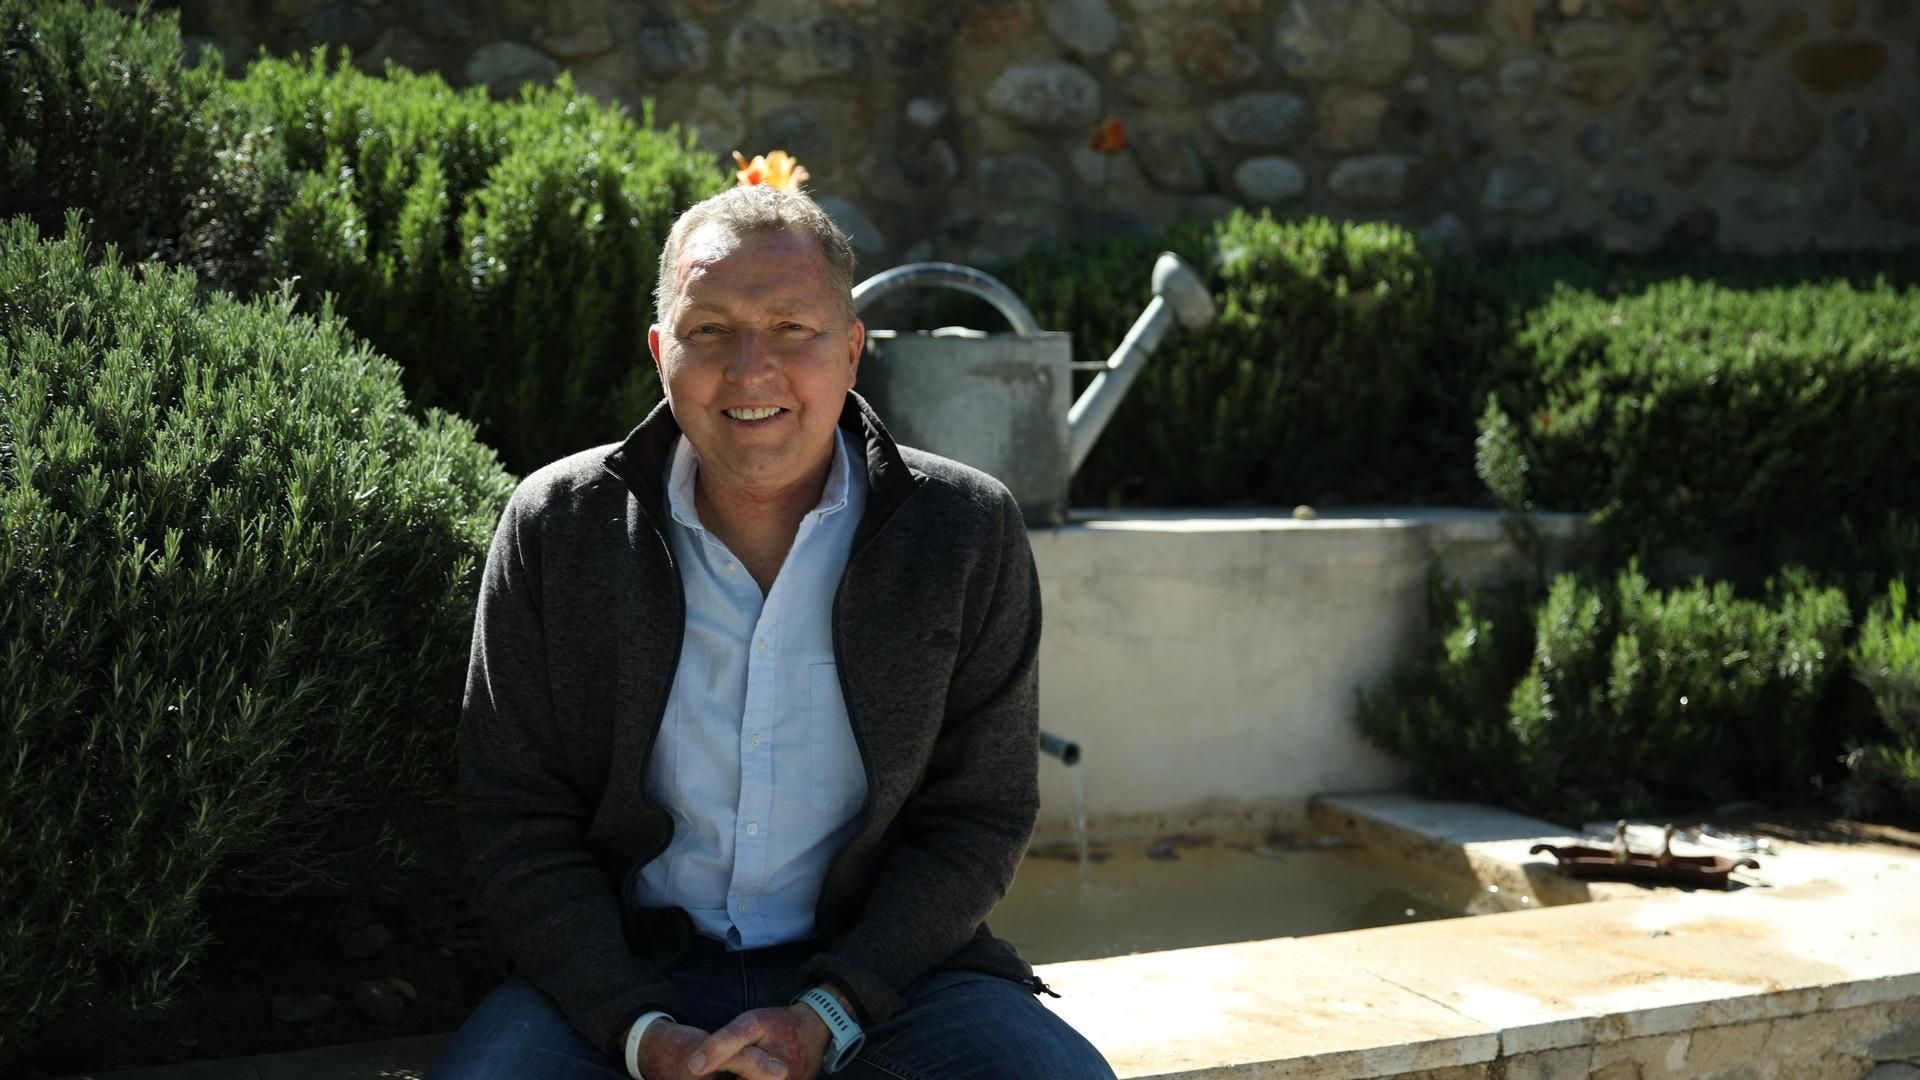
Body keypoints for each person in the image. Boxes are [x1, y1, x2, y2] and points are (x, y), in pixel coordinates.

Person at [431, 183, 1115, 1080]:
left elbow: (979, 817)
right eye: (709, 329)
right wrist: (636, 1030)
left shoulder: (963, 529)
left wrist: (834, 1010)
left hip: (891, 979)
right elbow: (515, 816)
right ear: (659, 352)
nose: (752, 369)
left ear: (853, 351)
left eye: (793, 326)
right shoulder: (557, 526)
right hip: (625, 970)